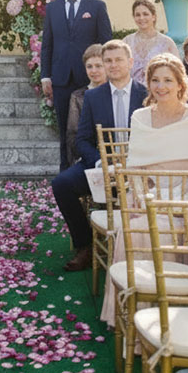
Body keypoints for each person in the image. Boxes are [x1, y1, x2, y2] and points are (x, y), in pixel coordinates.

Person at [100, 52, 188, 323]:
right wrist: (140, 196)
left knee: (155, 226)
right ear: (148, 84)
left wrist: (165, 182)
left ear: (181, 84)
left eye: (168, 80)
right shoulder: (140, 117)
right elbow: (136, 166)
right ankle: (130, 318)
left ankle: (169, 313)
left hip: (186, 200)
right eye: (155, 80)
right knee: (132, 227)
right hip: (150, 195)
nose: (161, 86)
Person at [50, 40, 147, 272]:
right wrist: (101, 162)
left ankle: (138, 244)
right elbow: (82, 139)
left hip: (139, 166)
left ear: (131, 63)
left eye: (118, 60)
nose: (113, 65)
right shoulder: (93, 97)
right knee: (62, 184)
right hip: (101, 164)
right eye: (108, 61)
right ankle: (85, 245)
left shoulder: (146, 94)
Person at [40, 0, 113, 171]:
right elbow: (47, 44)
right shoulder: (52, 8)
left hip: (90, 78)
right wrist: (46, 76)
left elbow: (106, 43)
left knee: (92, 128)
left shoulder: (97, 6)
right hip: (61, 78)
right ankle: (65, 171)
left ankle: (96, 170)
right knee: (65, 129)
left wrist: (106, 74)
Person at [65, 45, 107, 166]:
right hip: (87, 155)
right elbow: (73, 133)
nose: (94, 71)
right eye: (89, 66)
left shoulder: (115, 92)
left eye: (98, 66)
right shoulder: (78, 96)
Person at [123, 0, 178, 85]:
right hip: (131, 90)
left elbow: (177, 71)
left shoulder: (167, 43)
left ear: (153, 17)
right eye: (138, 15)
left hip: (159, 90)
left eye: (145, 14)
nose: (141, 18)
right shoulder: (127, 42)